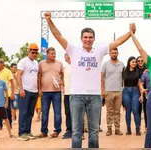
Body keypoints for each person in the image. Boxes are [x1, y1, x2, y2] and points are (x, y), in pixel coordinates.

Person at [44, 12, 134, 148]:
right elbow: (58, 36)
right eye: (85, 37)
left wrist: (130, 32)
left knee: (94, 131)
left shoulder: (99, 50)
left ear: (94, 39)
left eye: (90, 37)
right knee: (76, 131)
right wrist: (49, 21)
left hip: (95, 96)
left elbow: (118, 41)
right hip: (77, 95)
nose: (88, 39)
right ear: (81, 38)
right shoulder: (73, 50)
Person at [37, 47, 63, 138]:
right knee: (44, 112)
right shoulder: (41, 64)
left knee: (57, 112)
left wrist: (61, 82)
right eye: (52, 53)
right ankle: (44, 132)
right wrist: (39, 89)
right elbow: (39, 77)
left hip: (57, 92)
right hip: (45, 92)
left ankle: (57, 130)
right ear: (47, 54)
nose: (54, 55)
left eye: (54, 53)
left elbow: (62, 75)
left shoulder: (59, 63)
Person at [17, 43, 39, 141]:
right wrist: (21, 89)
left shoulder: (36, 63)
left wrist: (38, 89)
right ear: (28, 51)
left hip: (34, 91)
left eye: (36, 53)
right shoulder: (23, 61)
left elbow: (37, 77)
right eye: (32, 52)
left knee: (30, 113)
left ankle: (28, 131)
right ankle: (21, 133)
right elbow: (18, 75)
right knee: (23, 112)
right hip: (25, 90)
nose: (34, 54)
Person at [101, 48, 125, 136]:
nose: (114, 54)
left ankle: (117, 129)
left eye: (115, 53)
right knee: (109, 111)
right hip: (108, 91)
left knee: (117, 111)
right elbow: (101, 78)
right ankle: (109, 128)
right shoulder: (105, 64)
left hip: (119, 91)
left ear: (118, 53)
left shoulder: (122, 64)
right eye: (112, 53)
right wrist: (102, 90)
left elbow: (124, 78)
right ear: (110, 54)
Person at [122, 56, 142, 135]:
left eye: (135, 62)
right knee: (128, 111)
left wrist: (141, 95)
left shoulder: (138, 72)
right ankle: (128, 129)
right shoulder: (124, 71)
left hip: (135, 91)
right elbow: (122, 84)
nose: (134, 63)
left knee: (135, 110)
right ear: (129, 62)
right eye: (132, 62)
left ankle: (137, 129)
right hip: (126, 91)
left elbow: (139, 83)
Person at [0, 69, 15, 139]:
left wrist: (6, 102)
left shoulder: (2, 82)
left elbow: (6, 93)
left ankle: (10, 133)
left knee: (6, 119)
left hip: (1, 104)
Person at [0, 58, 15, 130]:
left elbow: (12, 83)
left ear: (2, 63)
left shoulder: (8, 71)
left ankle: (9, 124)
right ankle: (0, 125)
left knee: (7, 110)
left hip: (7, 94)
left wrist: (12, 93)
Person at [63, 53, 72, 139]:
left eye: (66, 54)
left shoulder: (76, 66)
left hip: (75, 93)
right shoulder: (65, 68)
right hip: (67, 93)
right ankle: (69, 130)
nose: (65, 56)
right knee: (68, 113)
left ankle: (79, 132)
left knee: (77, 113)